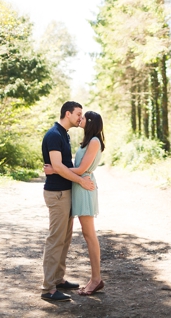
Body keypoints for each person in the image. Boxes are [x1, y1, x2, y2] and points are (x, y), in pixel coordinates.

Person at [40, 101, 95, 303]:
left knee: (64, 238)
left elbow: (63, 166)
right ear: (67, 113)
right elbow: (57, 166)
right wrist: (81, 180)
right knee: (55, 239)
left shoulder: (64, 134)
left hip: (66, 192)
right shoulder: (54, 135)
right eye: (78, 114)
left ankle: (58, 279)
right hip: (57, 194)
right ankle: (48, 288)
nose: (81, 118)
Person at [66, 110, 106, 296]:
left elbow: (82, 169)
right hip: (80, 187)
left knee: (90, 235)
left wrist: (56, 169)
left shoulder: (95, 141)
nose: (80, 119)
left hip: (85, 188)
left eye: (84, 117)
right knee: (87, 234)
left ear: (90, 122)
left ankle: (96, 279)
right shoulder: (88, 141)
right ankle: (94, 278)